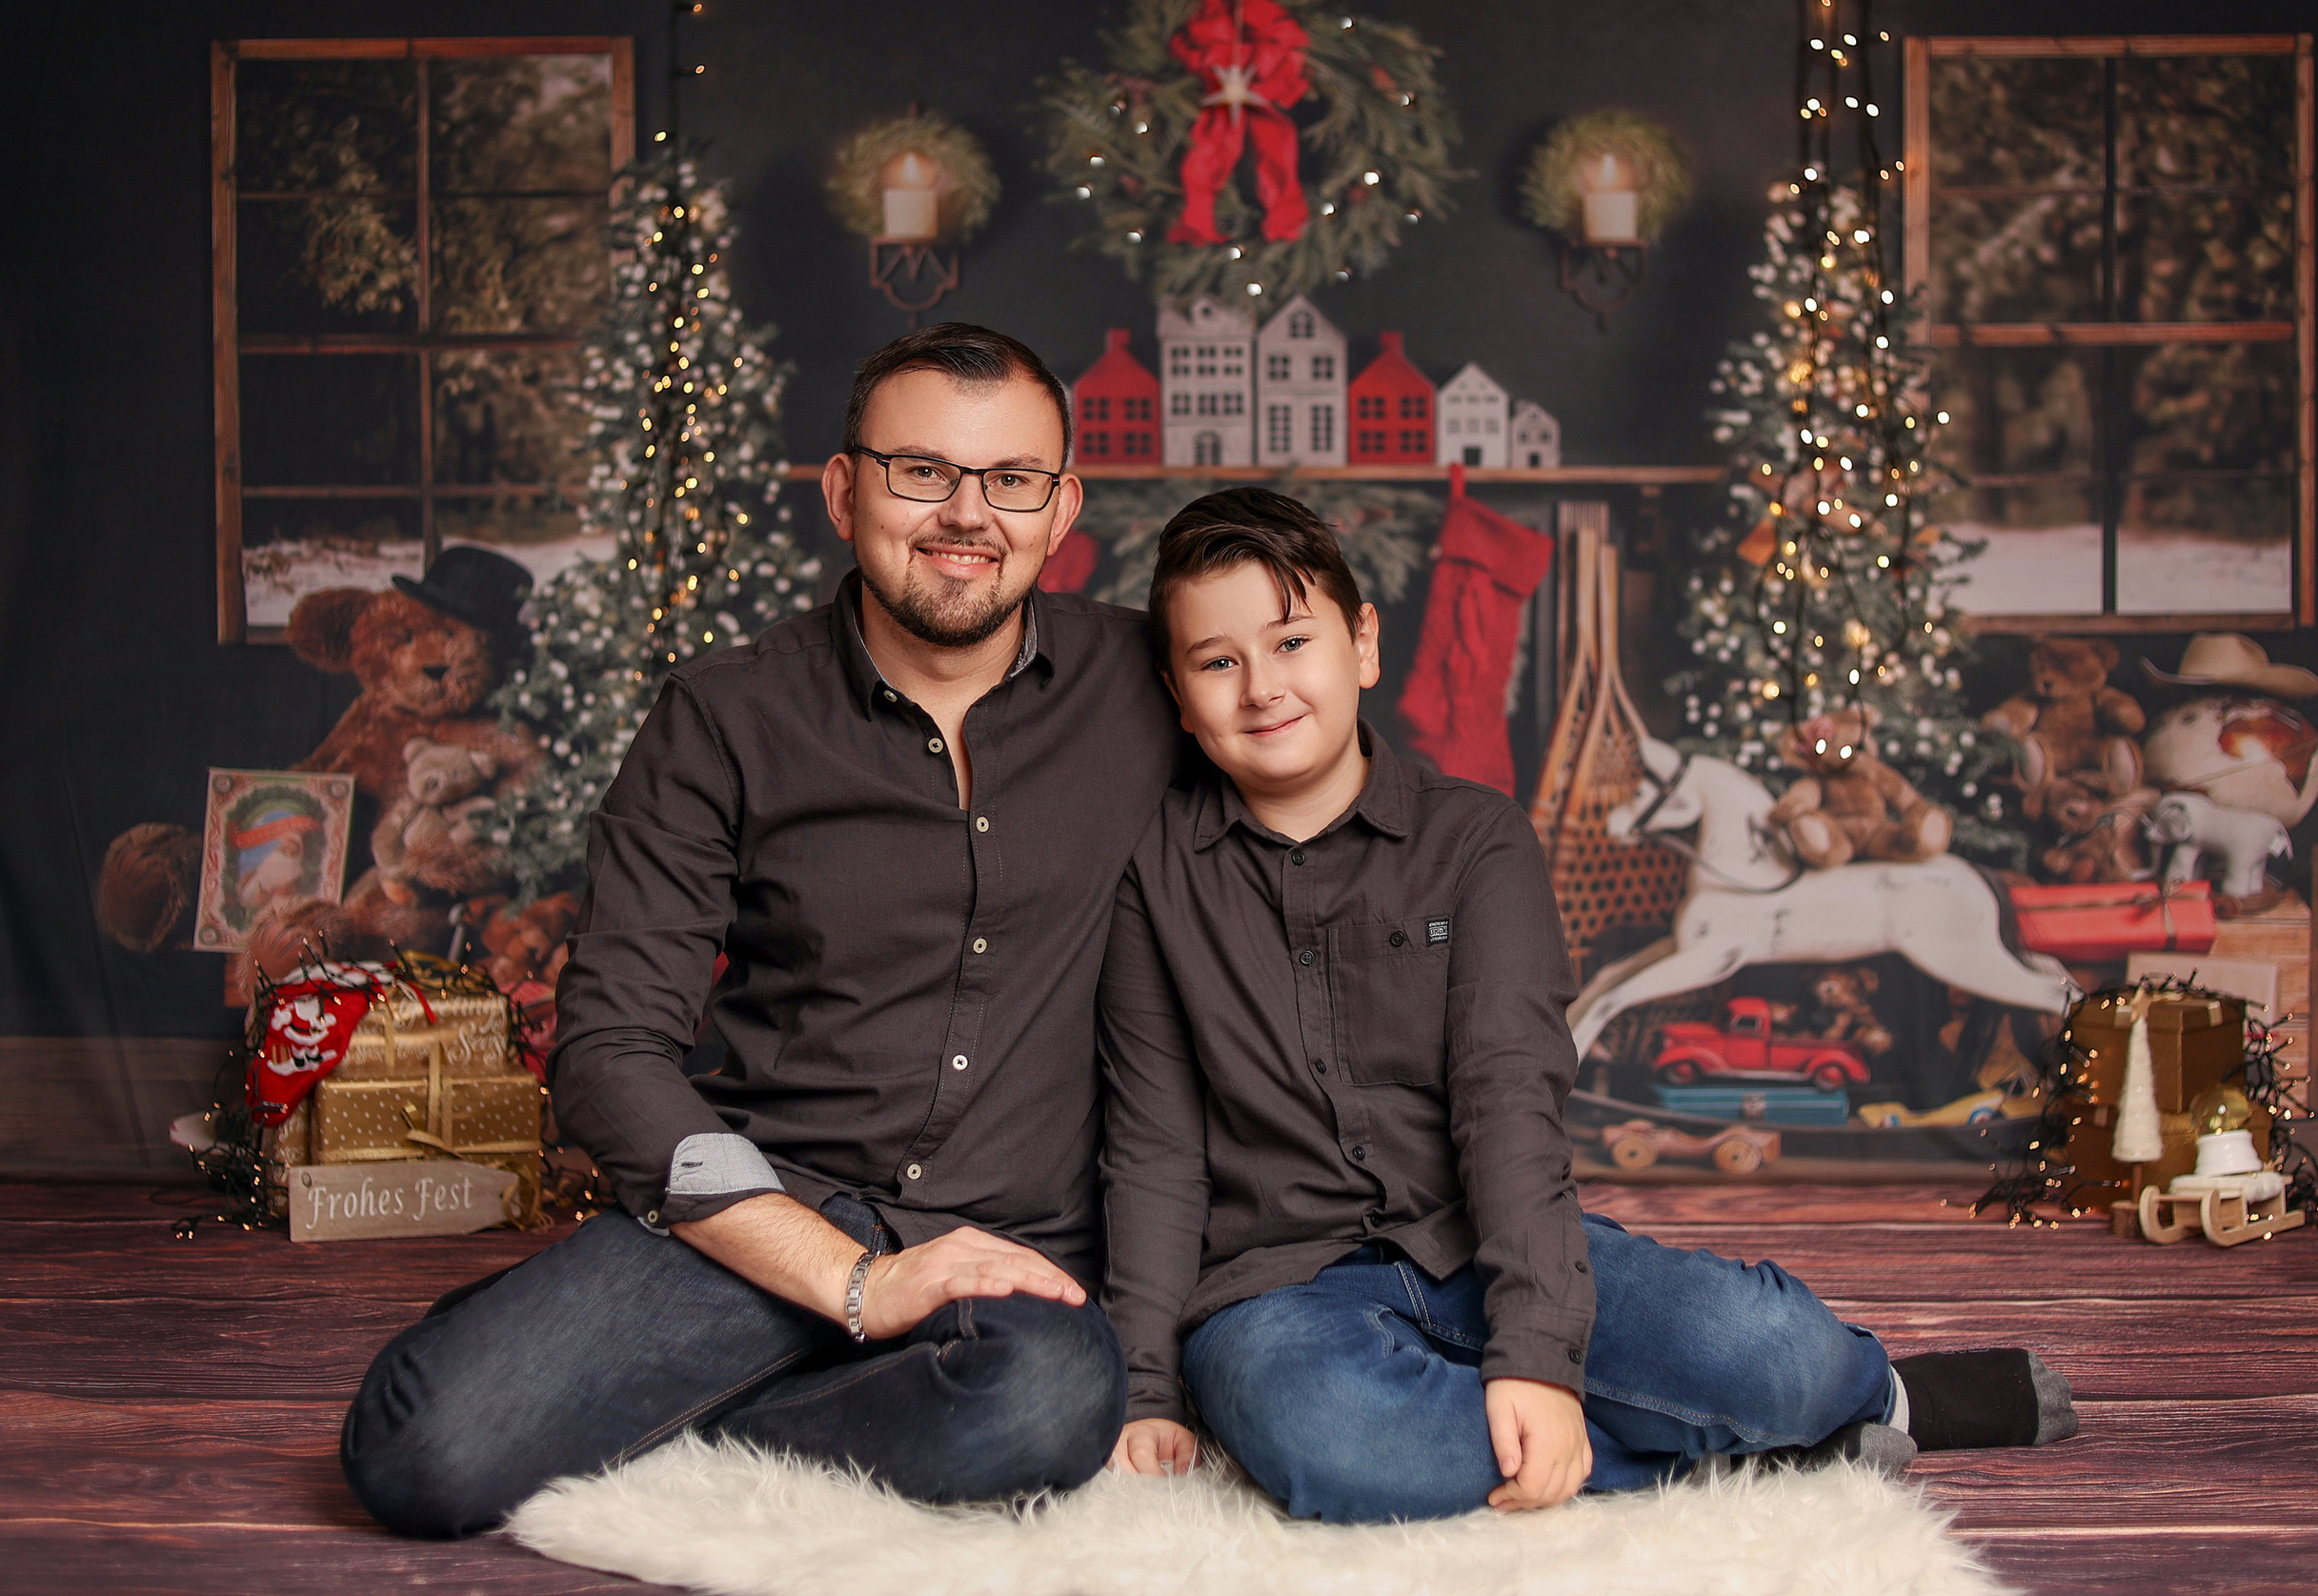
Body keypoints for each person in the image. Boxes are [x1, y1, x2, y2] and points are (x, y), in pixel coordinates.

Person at [342, 324, 1185, 1537]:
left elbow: (1329, 794)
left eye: (1011, 480)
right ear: (844, 491)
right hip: (772, 1207)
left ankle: (691, 1413)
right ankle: (716, 1351)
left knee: (1045, 1409)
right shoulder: (723, 718)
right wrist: (848, 1280)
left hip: (1008, 1248)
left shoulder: (1153, 688)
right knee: (420, 1454)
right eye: (921, 472)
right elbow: (611, 1051)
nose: (967, 514)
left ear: (1061, 510)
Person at [1097, 489, 2076, 1525]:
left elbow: (1507, 1101)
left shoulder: (1476, 841)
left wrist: (1536, 1352)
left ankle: (1887, 1395)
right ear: (1177, 691)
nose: (1262, 688)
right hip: (1276, 1285)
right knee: (1333, 1440)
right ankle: (1740, 1465)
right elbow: (1154, 1147)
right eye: (1217, 662)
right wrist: (1150, 1387)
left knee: (1772, 1354)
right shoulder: (1152, 874)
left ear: (1362, 643)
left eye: (1291, 641)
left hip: (1487, 1238)